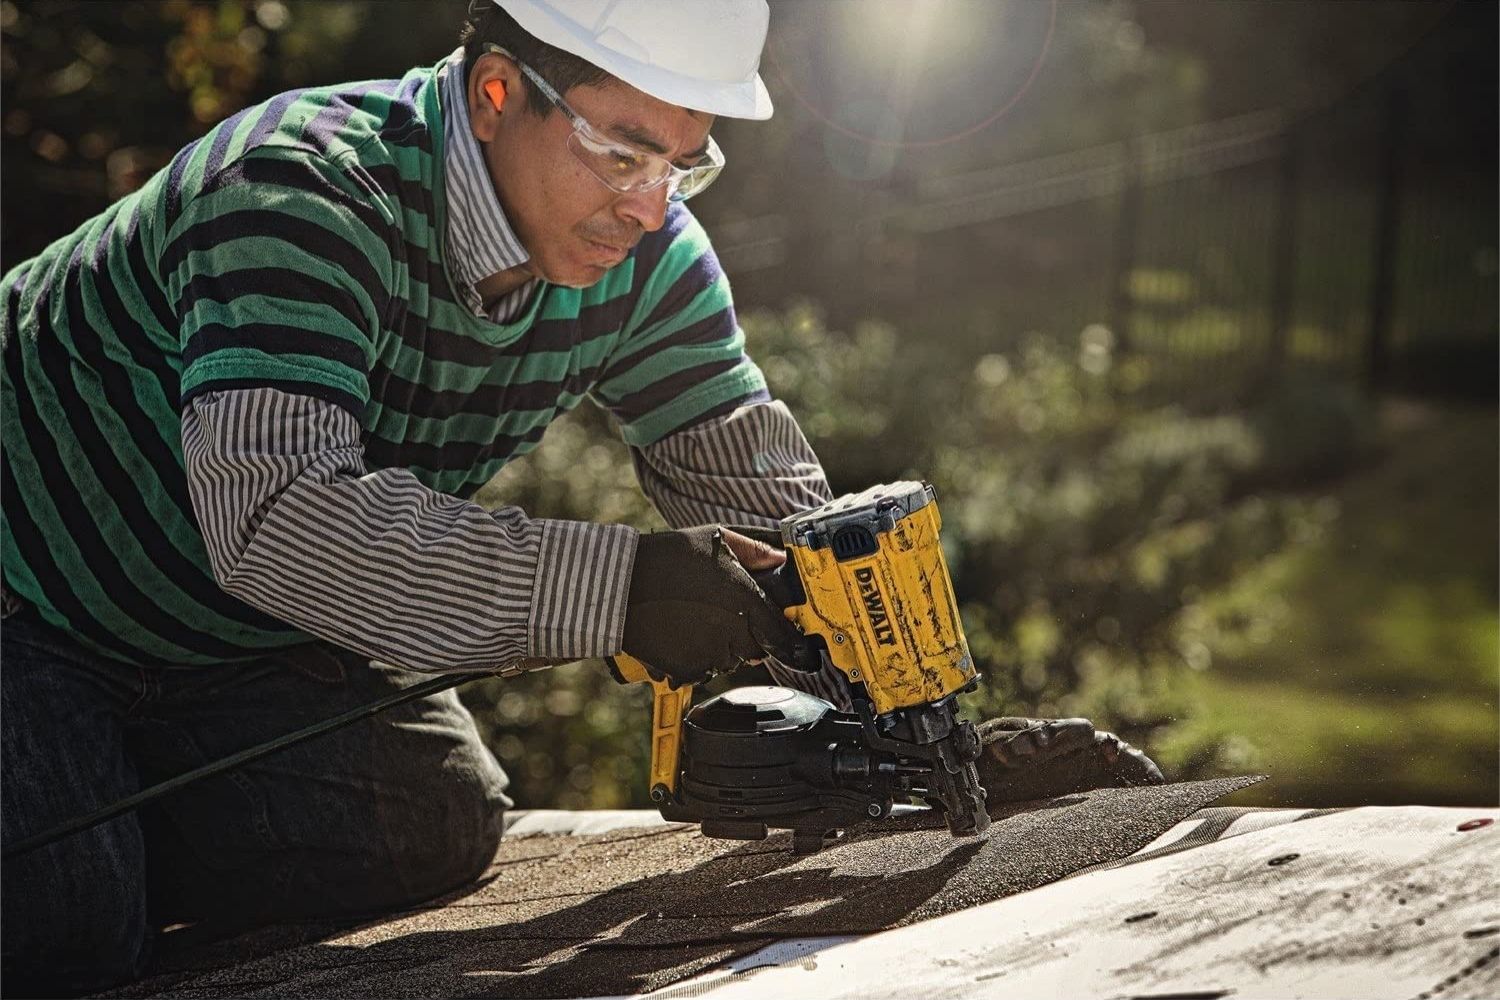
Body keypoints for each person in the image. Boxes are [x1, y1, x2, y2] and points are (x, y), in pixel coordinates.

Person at [0, 1, 1159, 993]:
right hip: (26, 604)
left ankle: (96, 804)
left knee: (444, 820)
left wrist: (924, 732)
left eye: (684, 163)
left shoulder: (645, 257)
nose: (651, 209)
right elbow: (278, 521)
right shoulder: (299, 193)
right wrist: (623, 588)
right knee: (65, 930)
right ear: (499, 89)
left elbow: (765, 507)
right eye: (623, 153)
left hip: (221, 650)